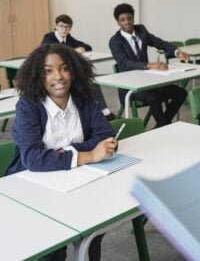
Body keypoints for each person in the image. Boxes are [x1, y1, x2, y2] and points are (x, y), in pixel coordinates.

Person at [6, 43, 117, 260]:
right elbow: (33, 159)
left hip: (77, 180)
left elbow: (106, 136)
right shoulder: (28, 105)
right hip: (32, 186)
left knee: (93, 230)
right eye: (48, 71)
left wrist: (62, 152)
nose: (58, 76)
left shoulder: (83, 98)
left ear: (74, 70)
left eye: (64, 68)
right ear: (37, 76)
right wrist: (90, 155)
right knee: (54, 247)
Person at [109, 3, 189, 128]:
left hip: (149, 81)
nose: (127, 22)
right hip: (130, 86)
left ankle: (161, 126)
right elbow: (125, 63)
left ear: (133, 18)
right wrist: (150, 65)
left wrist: (177, 52)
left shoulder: (141, 30)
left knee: (181, 92)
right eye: (122, 20)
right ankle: (165, 126)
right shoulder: (115, 41)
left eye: (129, 18)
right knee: (154, 97)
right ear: (117, 22)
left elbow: (159, 43)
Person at [41, 14, 116, 121]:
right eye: (61, 26)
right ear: (56, 26)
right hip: (53, 75)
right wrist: (73, 51)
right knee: (86, 81)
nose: (64, 29)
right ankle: (100, 112)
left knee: (90, 80)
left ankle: (104, 111)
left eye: (67, 27)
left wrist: (81, 48)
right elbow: (48, 51)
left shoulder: (68, 38)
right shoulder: (49, 37)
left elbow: (87, 46)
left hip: (67, 72)